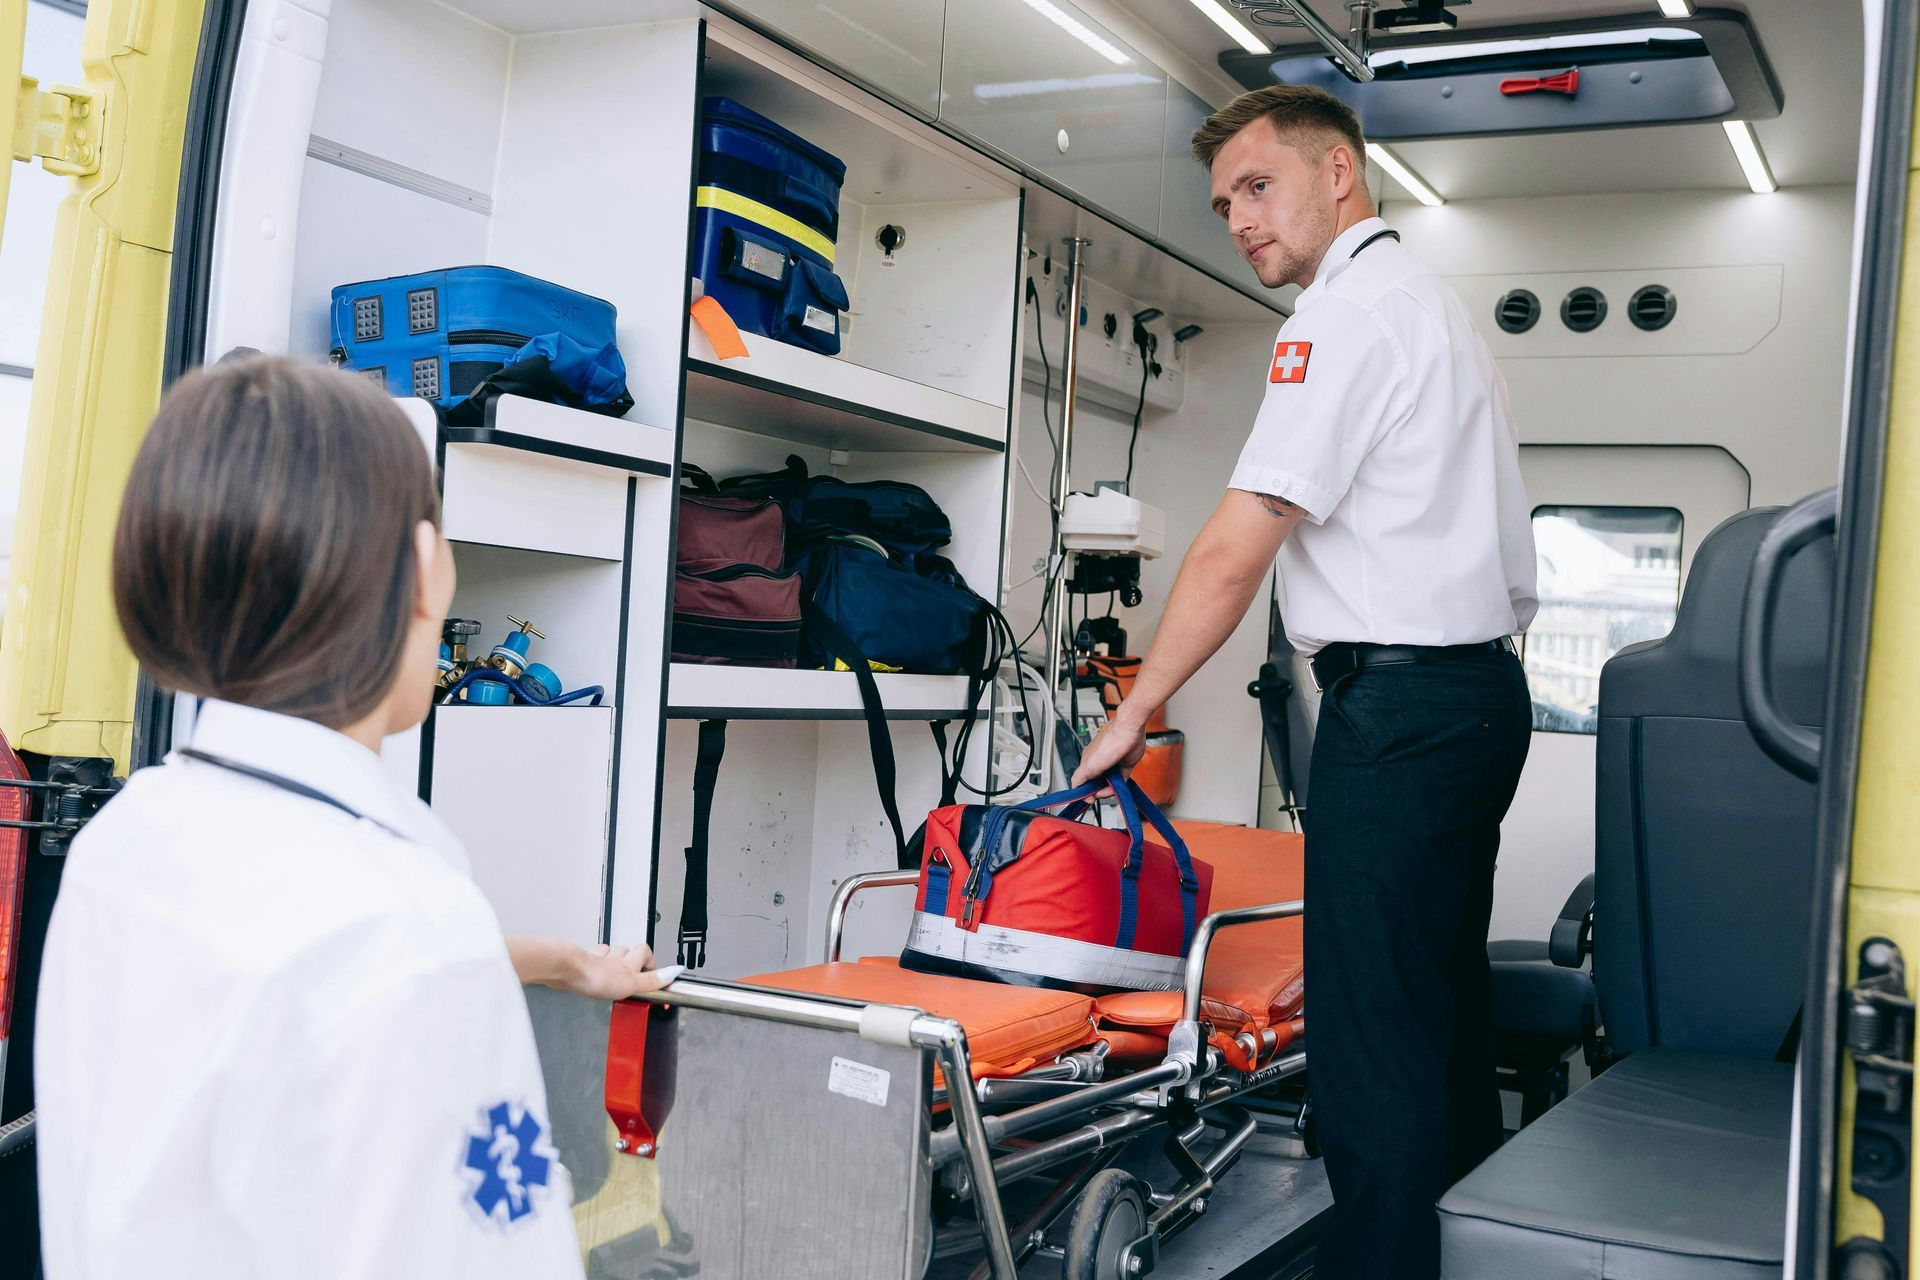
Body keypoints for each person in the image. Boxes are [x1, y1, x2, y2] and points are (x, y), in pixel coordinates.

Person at [34, 357, 671, 1277]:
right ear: (426, 568)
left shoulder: (129, 838)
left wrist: (571, 962)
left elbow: (292, 984)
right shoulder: (404, 929)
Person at [1072, 85, 1538, 1279]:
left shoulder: (1342, 317)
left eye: (1259, 186)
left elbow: (1241, 539)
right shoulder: (1435, 311)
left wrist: (1133, 711)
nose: (1238, 217)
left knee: (1369, 1036)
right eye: (1225, 200)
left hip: (1407, 708)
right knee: (1437, 1021)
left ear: (1340, 174)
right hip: (1479, 698)